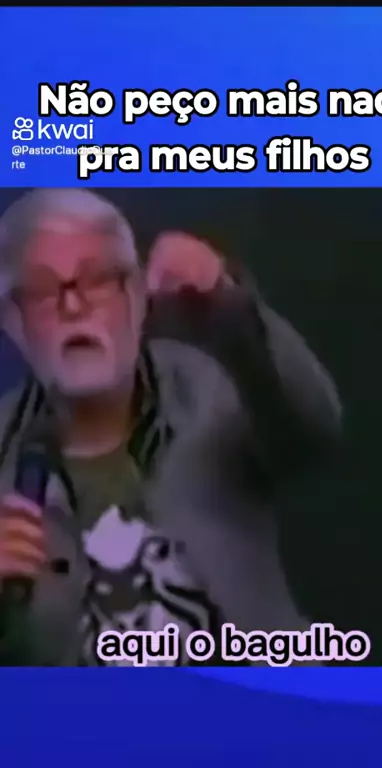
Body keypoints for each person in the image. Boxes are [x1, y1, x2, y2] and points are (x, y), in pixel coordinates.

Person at [0, 188, 342, 666]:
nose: (73, 306)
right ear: (14, 323)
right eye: (43, 291)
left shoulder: (207, 386)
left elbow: (311, 434)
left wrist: (231, 313)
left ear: (137, 298)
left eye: (97, 280)